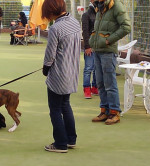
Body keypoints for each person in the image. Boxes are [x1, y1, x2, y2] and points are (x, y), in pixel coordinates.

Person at [42, 0, 81, 153]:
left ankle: (60, 143)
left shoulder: (55, 28)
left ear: (51, 10)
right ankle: (71, 139)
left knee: (55, 109)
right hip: (72, 71)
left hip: (58, 74)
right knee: (65, 105)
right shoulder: (74, 23)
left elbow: (50, 55)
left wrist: (45, 69)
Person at [89, 0, 131, 125]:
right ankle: (105, 111)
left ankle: (114, 112)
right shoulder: (99, 7)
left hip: (107, 51)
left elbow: (126, 26)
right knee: (100, 83)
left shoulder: (115, 4)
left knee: (109, 83)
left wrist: (108, 40)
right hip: (97, 50)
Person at [82, 0, 98, 99]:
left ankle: (95, 87)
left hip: (99, 45)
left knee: (97, 68)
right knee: (88, 68)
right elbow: (85, 32)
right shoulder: (86, 15)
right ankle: (86, 88)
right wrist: (87, 46)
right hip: (90, 46)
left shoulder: (101, 13)